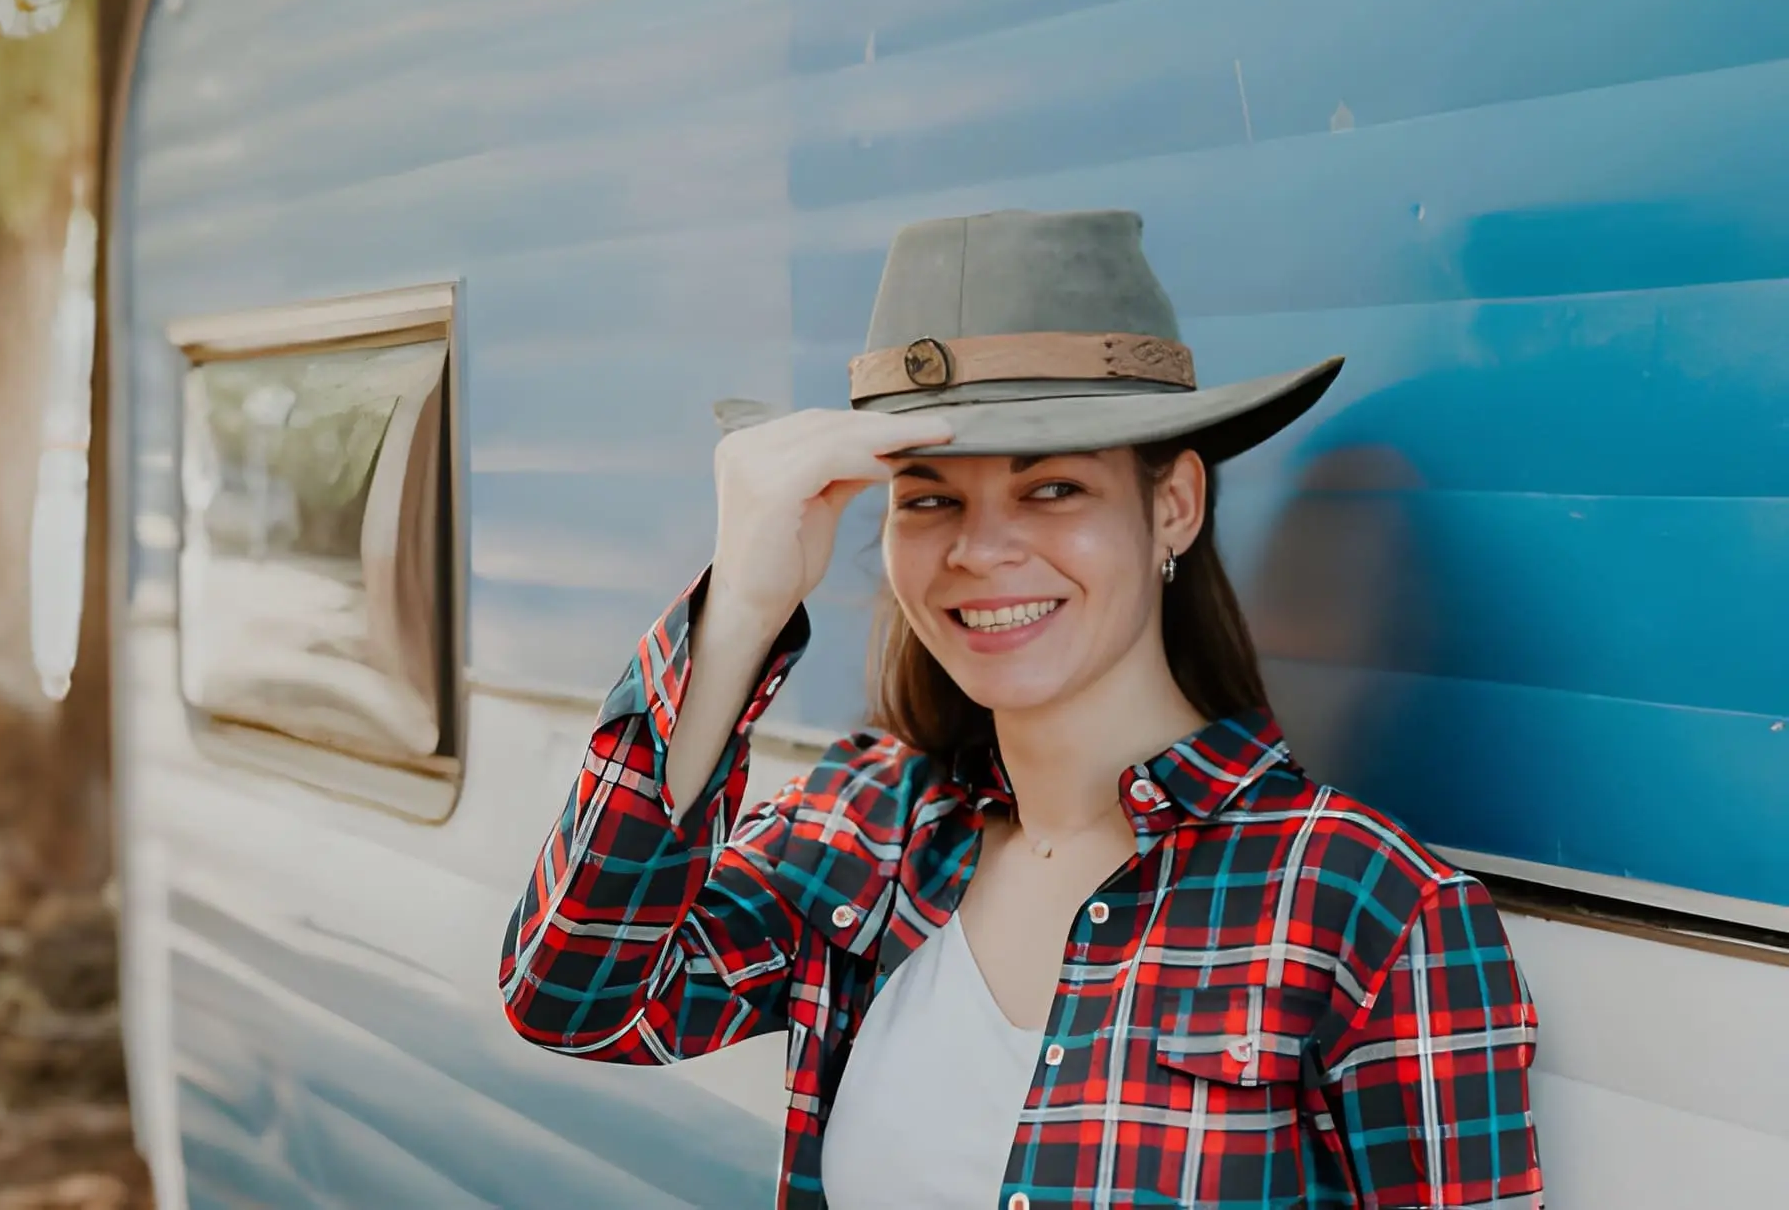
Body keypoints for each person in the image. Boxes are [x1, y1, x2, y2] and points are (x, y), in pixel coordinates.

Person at [500, 210, 1543, 1210]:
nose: (979, 550)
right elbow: (575, 998)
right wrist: (740, 605)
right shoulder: (866, 826)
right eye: (928, 497)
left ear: (1173, 504)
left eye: (1051, 489)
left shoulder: (1367, 906)